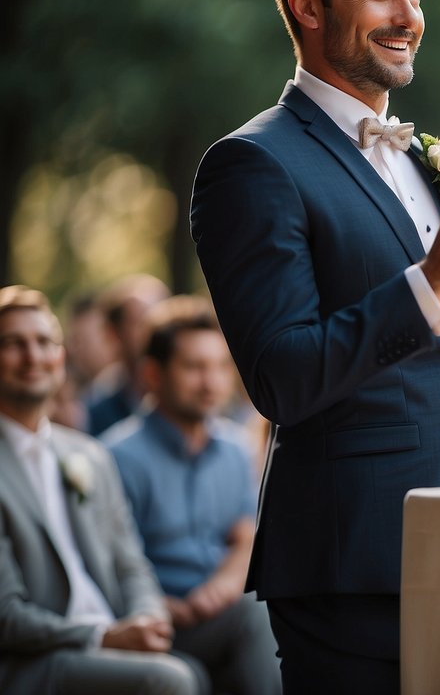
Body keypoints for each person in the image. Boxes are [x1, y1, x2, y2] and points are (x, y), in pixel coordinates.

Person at [189, 0, 440, 692]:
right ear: (307, 6)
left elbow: (428, 366)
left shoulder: (419, 157)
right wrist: (435, 280)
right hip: (352, 563)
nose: (407, 15)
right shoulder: (252, 166)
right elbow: (285, 378)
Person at [0, 285, 204, 695]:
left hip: (109, 640)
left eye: (44, 342)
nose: (33, 357)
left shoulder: (88, 454)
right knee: (172, 680)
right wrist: (104, 637)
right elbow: (6, 616)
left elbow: (132, 564)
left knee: (195, 668)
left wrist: (148, 617)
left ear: (61, 356)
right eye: (13, 344)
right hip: (29, 660)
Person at [105, 297, 281, 694]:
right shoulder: (115, 458)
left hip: (221, 612)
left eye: (220, 367)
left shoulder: (237, 450)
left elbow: (245, 534)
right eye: (194, 367)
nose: (212, 382)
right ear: (153, 374)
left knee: (261, 609)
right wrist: (160, 604)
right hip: (154, 622)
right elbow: (108, 560)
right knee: (252, 614)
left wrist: (225, 584)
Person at [86, 274, 170, 437]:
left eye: (164, 322)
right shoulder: (96, 412)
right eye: (142, 321)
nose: (157, 332)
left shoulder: (201, 400)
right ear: (114, 333)